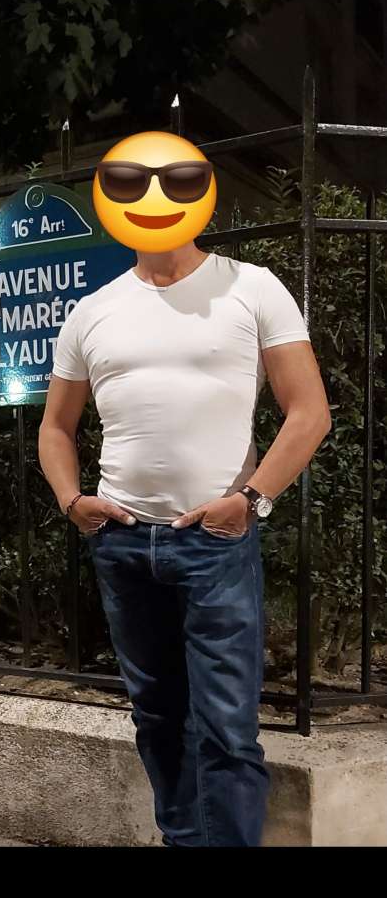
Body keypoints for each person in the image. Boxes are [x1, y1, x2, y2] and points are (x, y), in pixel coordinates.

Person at [38, 242, 332, 847]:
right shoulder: (93, 309)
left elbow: (310, 412)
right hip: (120, 540)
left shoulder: (251, 286)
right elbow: (55, 426)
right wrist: (72, 501)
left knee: (226, 726)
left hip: (214, 541)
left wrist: (250, 499)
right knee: (157, 717)